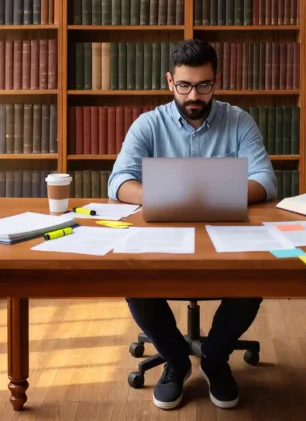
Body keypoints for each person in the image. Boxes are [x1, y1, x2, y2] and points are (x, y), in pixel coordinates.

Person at [108, 39, 277, 410]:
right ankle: (175, 359)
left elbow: (266, 181)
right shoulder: (148, 124)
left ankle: (215, 358)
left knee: (256, 276)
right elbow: (119, 182)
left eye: (203, 85)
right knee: (134, 279)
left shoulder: (239, 120)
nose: (193, 95)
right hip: (162, 230)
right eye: (184, 85)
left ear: (216, 82)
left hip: (227, 231)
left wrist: (210, 196)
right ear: (170, 81)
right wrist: (165, 196)